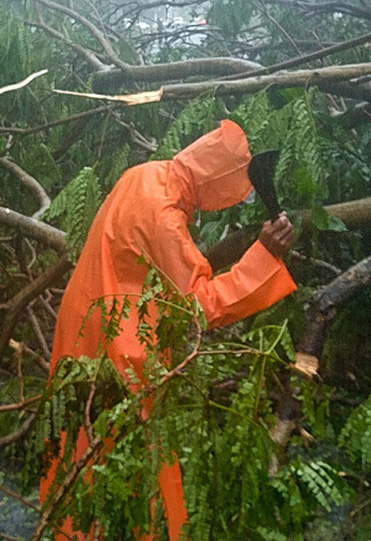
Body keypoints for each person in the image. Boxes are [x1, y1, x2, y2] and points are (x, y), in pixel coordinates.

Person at [40, 119, 296, 539]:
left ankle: (71, 528)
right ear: (219, 184)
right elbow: (196, 307)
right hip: (121, 340)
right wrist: (263, 257)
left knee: (78, 439)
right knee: (140, 459)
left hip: (82, 318)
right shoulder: (165, 218)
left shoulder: (143, 174)